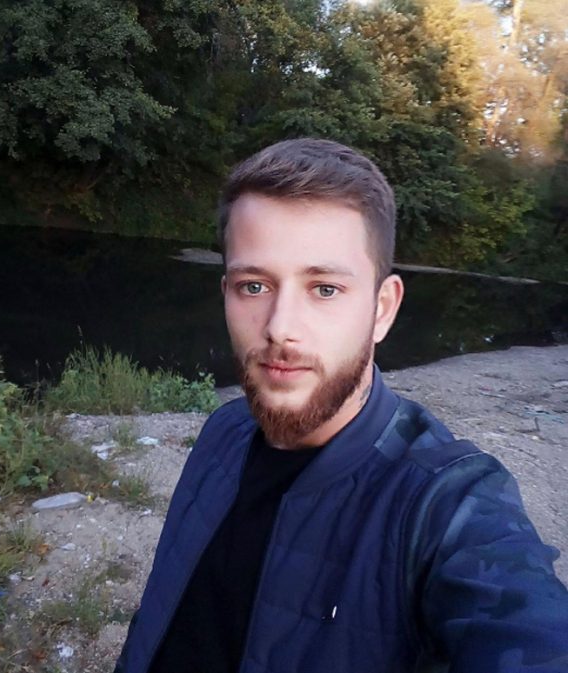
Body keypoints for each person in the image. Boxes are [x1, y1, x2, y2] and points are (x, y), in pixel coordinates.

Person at [115, 139, 568, 673]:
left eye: (325, 289)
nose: (280, 328)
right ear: (226, 294)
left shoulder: (443, 505)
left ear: (382, 309)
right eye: (254, 286)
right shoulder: (223, 432)